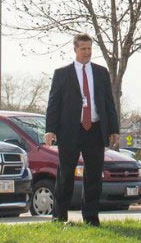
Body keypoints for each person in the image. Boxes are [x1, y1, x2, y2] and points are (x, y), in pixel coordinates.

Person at [44, 34, 119, 227]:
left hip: (94, 129)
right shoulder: (62, 74)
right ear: (75, 49)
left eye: (89, 49)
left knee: (94, 175)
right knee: (65, 175)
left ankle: (91, 218)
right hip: (70, 130)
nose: (87, 52)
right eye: (83, 49)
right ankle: (59, 217)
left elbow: (109, 103)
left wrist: (113, 128)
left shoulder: (101, 73)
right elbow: (54, 103)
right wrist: (50, 129)